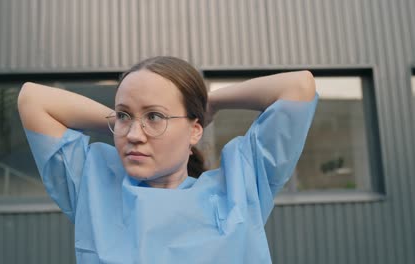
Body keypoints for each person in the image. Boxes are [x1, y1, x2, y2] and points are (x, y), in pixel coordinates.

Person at [18, 56, 318, 263]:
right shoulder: (94, 185)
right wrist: (123, 121)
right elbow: (32, 99)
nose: (135, 134)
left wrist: (209, 103)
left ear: (195, 130)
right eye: (124, 115)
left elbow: (299, 86)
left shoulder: (241, 186)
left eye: (155, 116)